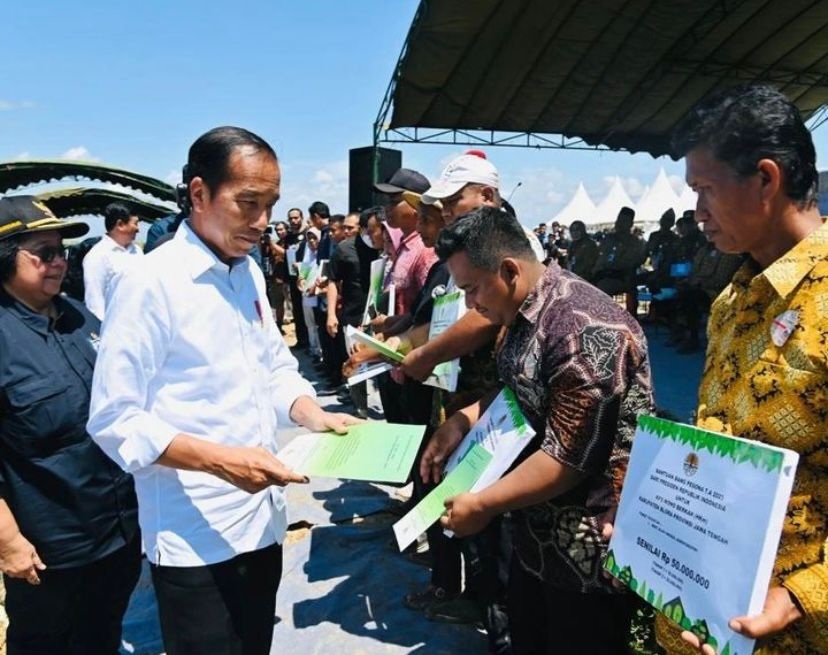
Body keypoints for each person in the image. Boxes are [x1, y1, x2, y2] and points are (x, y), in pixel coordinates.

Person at [87, 126, 359, 655]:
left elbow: (273, 366)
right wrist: (221, 461)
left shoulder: (247, 274)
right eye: (248, 204)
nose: (262, 222)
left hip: (262, 519)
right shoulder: (151, 283)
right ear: (198, 194)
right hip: (196, 534)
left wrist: (310, 412)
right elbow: (115, 418)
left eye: (272, 205)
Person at [423, 206, 654, 654]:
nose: (470, 305)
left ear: (508, 270)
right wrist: (464, 418)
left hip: (588, 555)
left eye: (471, 289)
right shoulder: (524, 312)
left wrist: (482, 505)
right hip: (536, 537)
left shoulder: (583, 328)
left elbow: (568, 458)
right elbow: (519, 389)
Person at [651, 83, 828, 655]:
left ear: (766, 180)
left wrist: (804, 594)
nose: (696, 213)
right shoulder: (733, 300)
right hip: (703, 616)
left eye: (705, 190)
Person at [0, 196, 140, 655]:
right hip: (50, 547)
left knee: (102, 632)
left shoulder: (80, 317)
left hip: (116, 528)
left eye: (62, 251)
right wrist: (8, 542)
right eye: (43, 253)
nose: (59, 262)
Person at [326, 211, 379, 415]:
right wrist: (331, 314)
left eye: (351, 227)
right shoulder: (344, 249)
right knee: (357, 364)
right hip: (353, 315)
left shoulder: (384, 246)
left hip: (380, 317)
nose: (347, 231)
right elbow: (333, 281)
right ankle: (361, 410)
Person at [82, 202, 143, 320]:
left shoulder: (137, 251)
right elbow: (95, 302)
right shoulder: (98, 256)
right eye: (135, 223)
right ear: (120, 224)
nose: (138, 229)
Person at [592, 206, 646, 313]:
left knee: (603, 288)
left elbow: (630, 262)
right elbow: (600, 258)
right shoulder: (608, 239)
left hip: (622, 276)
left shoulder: (635, 242)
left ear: (630, 224)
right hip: (603, 274)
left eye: (623, 221)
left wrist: (608, 266)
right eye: (618, 220)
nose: (619, 224)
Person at [284, 207, 309, 348]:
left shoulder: (307, 234)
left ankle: (311, 343)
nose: (293, 221)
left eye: (296, 218)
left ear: (301, 218)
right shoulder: (288, 238)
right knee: (297, 311)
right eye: (291, 218)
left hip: (306, 278)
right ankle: (301, 341)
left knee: (308, 313)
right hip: (293, 278)